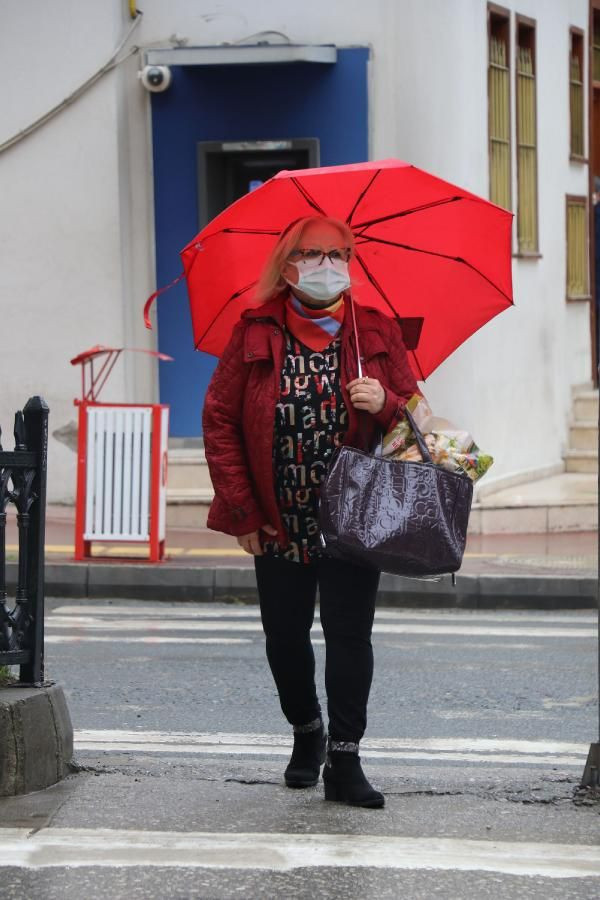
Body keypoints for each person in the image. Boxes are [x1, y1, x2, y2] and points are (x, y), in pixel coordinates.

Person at [202, 215, 418, 808]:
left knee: (350, 636)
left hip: (353, 517)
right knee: (284, 635)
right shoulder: (255, 329)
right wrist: (242, 510)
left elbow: (417, 418)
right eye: (311, 253)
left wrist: (386, 401)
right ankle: (306, 729)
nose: (326, 265)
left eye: (337, 253)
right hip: (278, 514)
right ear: (287, 262)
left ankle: (345, 760)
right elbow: (219, 418)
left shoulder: (373, 330)